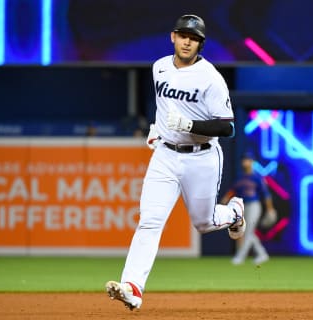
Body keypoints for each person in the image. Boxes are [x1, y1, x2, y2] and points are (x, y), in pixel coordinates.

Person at [105, 14, 245, 311]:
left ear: (200, 44)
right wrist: (158, 130)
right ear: (173, 37)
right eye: (183, 35)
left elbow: (227, 127)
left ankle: (234, 213)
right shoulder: (159, 68)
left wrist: (189, 124)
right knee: (149, 221)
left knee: (204, 223)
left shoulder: (210, 78)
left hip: (203, 157)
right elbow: (165, 106)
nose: (187, 41)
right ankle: (132, 287)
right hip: (165, 156)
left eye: (193, 38)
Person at [221, 151, 277, 266]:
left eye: (247, 159)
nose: (245, 162)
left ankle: (240, 257)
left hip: (254, 205)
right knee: (249, 232)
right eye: (244, 159)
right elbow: (232, 190)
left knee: (247, 231)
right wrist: (225, 200)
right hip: (243, 206)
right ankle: (262, 254)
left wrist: (270, 209)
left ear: (252, 162)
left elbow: (266, 195)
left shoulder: (257, 177)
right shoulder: (240, 177)